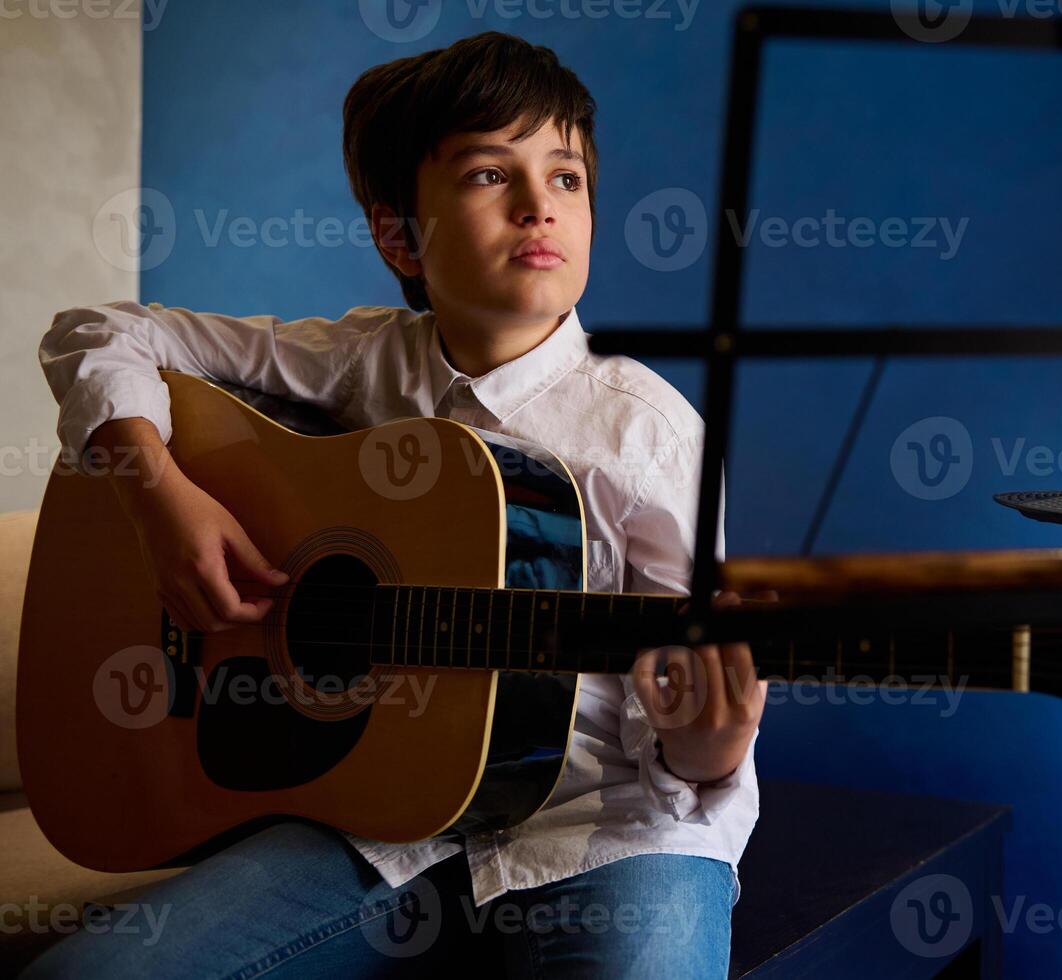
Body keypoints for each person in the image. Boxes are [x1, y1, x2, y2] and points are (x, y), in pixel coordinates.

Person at [24, 30, 764, 979]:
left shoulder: (648, 434)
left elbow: (681, 767)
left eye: (567, 176)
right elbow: (102, 330)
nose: (541, 206)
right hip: (375, 826)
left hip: (607, 833)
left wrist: (710, 739)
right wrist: (159, 499)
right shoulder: (366, 360)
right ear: (398, 235)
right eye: (490, 176)